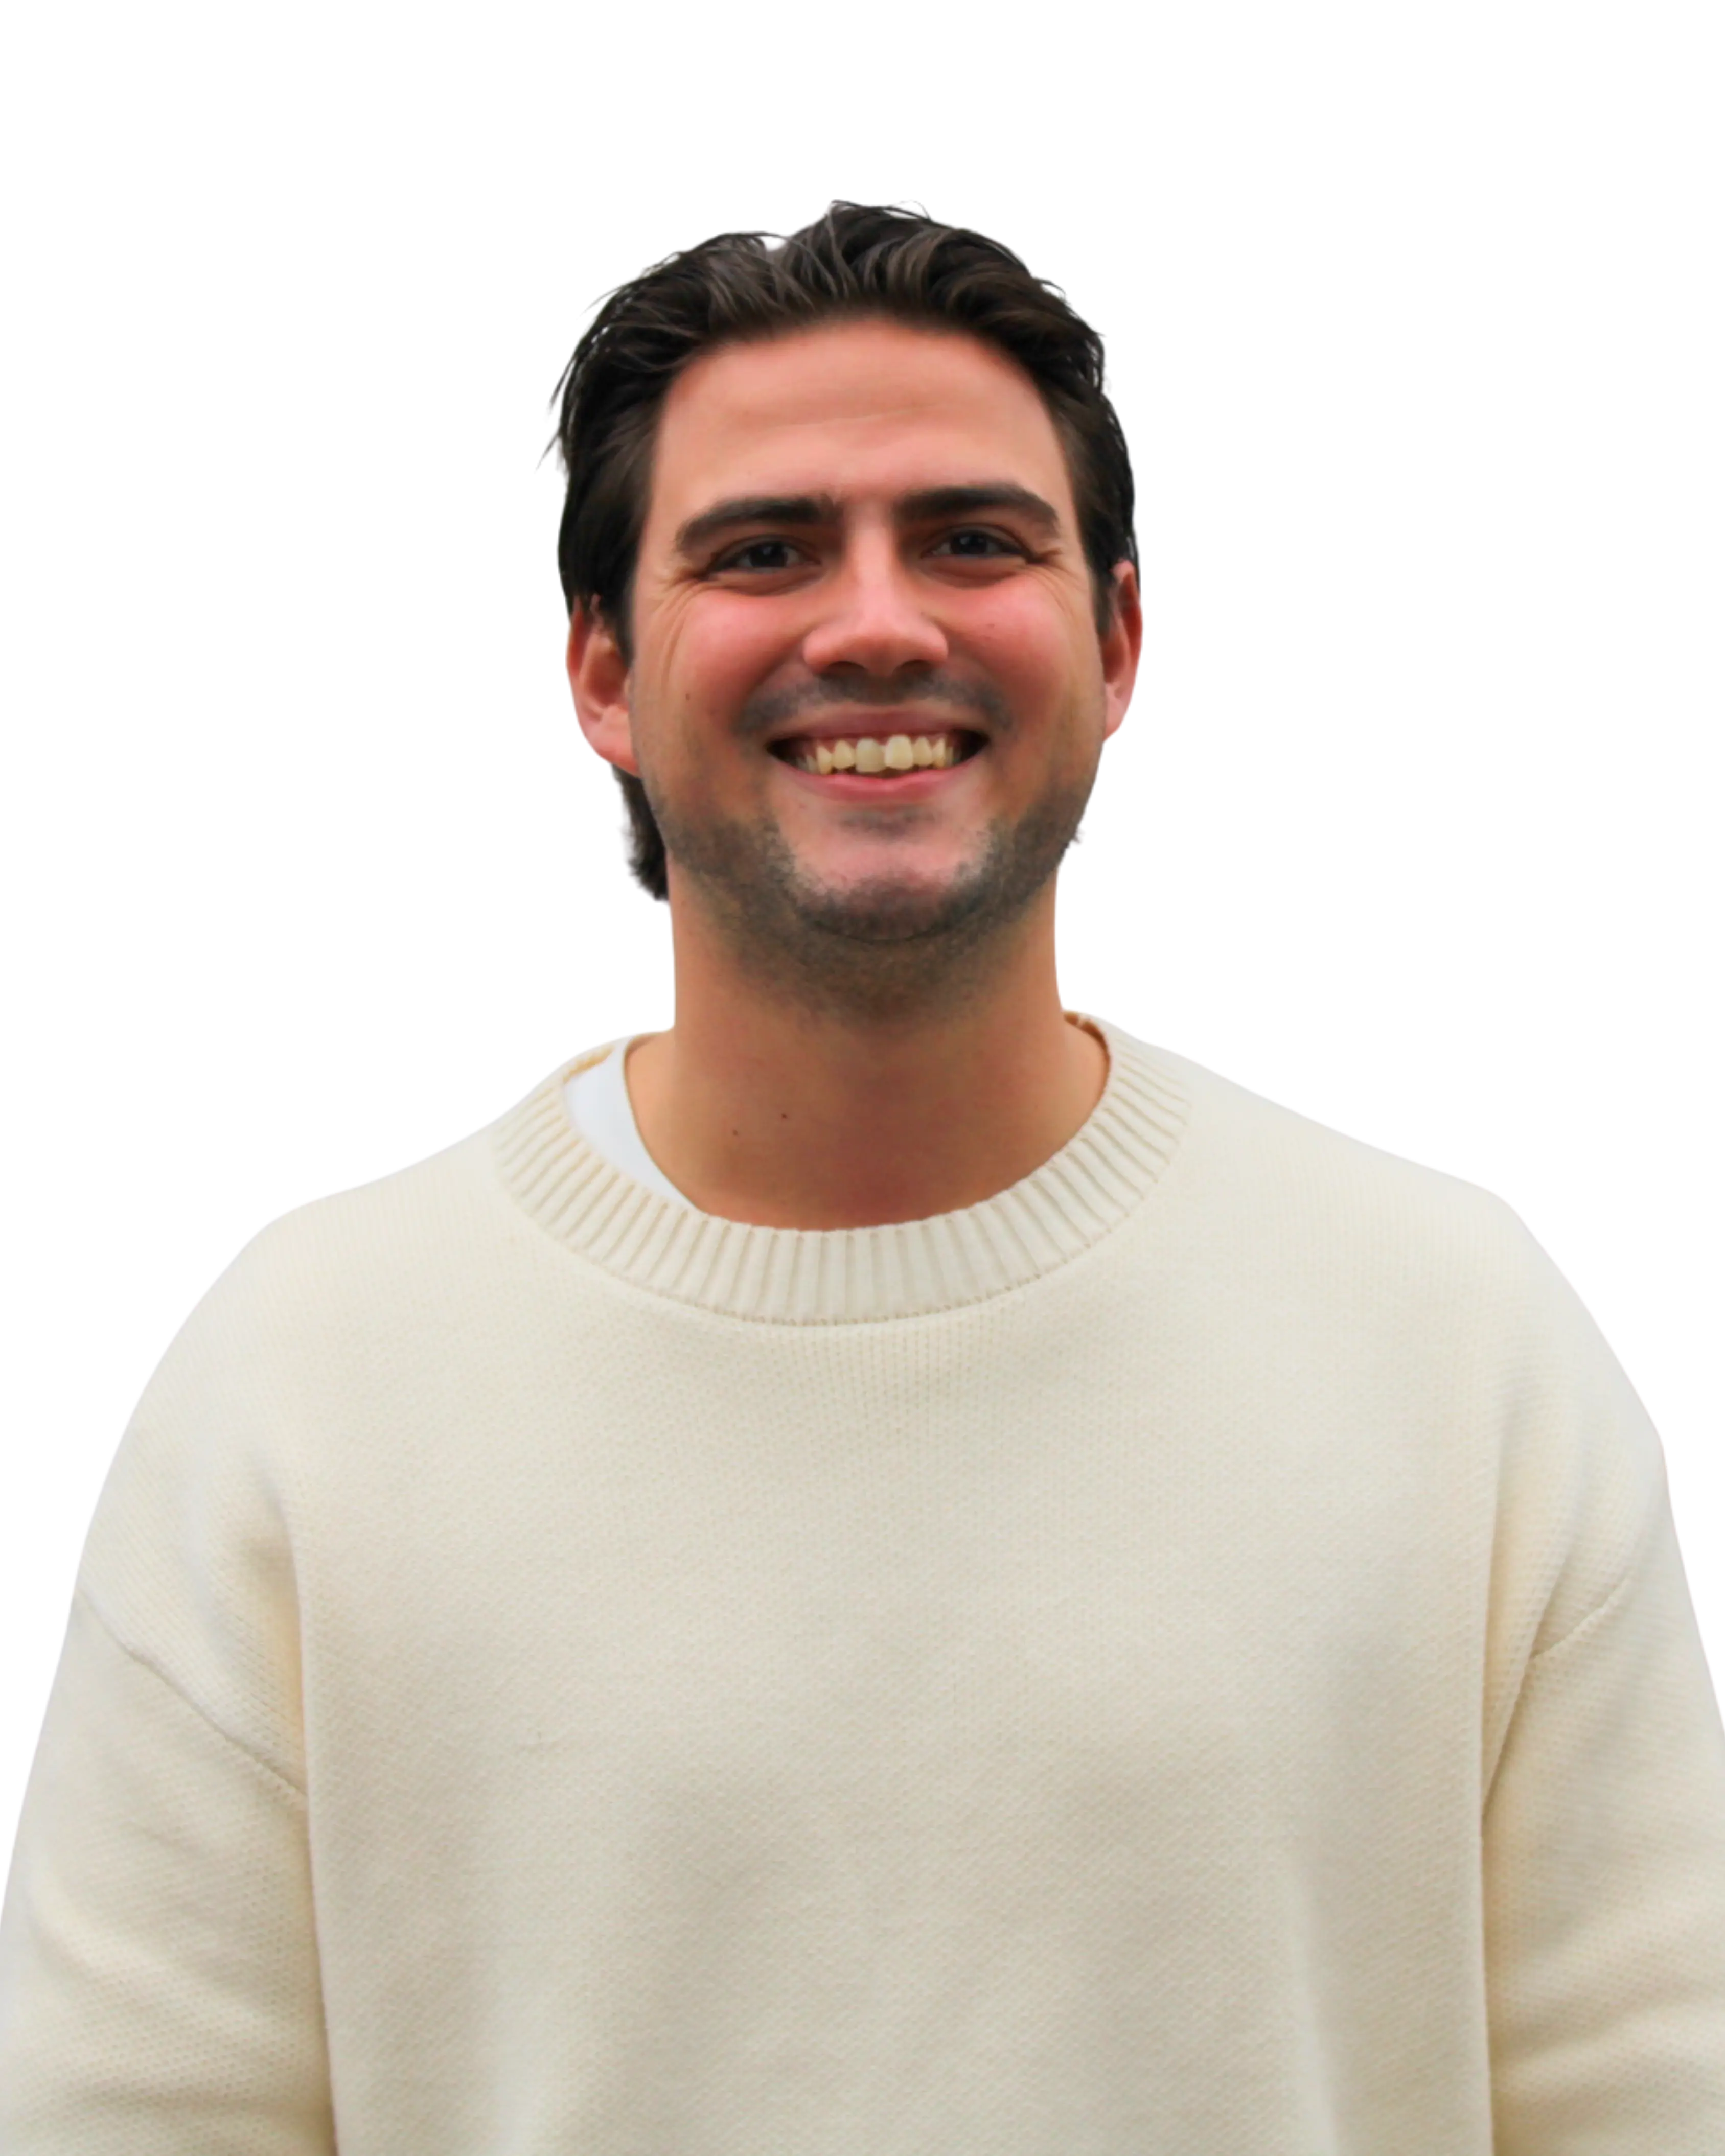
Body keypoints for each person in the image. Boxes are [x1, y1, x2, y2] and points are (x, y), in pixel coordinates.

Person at [2, 198, 1721, 2152]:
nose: (878, 622)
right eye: (763, 551)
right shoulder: (301, 1376)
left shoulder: (1457, 1339)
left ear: (1118, 644)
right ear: (598, 673)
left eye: (973, 539)